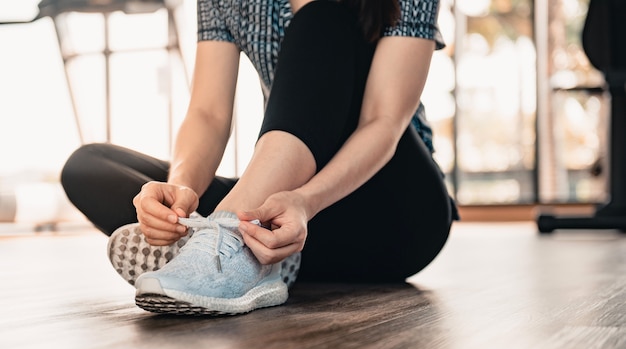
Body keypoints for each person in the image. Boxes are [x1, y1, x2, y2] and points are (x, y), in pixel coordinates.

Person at [61, 0, 458, 316]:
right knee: (90, 168)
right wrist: (180, 189)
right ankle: (252, 256)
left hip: (391, 211)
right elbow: (209, 114)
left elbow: (383, 123)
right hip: (286, 204)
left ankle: (224, 236)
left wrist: (306, 201)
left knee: (324, 16)